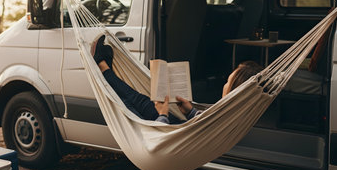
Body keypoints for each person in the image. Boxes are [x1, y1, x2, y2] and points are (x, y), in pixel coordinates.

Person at [93, 35, 262, 124]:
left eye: (228, 81)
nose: (225, 84)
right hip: (183, 129)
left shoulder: (227, 114)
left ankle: (103, 68)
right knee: (139, 101)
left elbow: (199, 132)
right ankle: (105, 70)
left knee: (125, 107)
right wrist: (190, 111)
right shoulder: (235, 112)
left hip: (170, 133)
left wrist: (163, 114)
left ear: (236, 88)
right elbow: (206, 126)